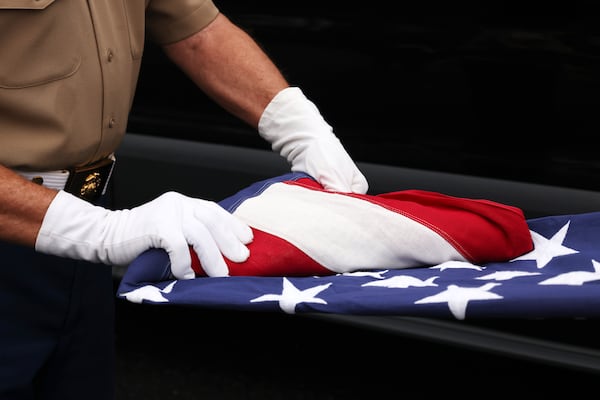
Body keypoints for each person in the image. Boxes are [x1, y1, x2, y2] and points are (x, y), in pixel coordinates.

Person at [0, 1, 368, 399]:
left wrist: (300, 127)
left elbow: (196, 30)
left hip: (85, 236)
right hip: (19, 231)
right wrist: (104, 232)